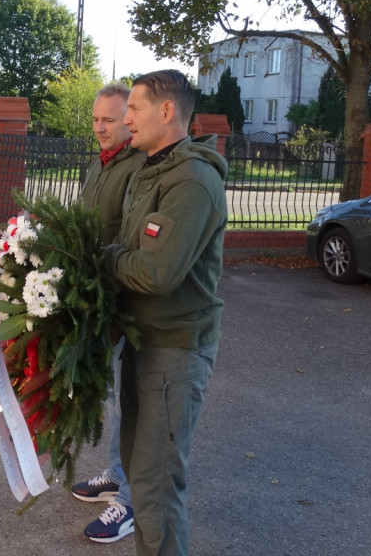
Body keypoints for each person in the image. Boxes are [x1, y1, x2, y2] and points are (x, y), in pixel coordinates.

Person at [102, 69, 228, 556]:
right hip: (144, 341)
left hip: (174, 351)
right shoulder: (150, 169)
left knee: (155, 490)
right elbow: (131, 247)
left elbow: (156, 272)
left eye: (135, 109)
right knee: (140, 475)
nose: (126, 119)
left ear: (168, 111)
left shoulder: (192, 180)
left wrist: (102, 260)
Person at [71, 81, 141, 544]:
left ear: (129, 122)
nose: (100, 127)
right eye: (96, 120)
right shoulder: (101, 163)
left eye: (109, 120)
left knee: (133, 404)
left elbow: (128, 238)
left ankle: (131, 501)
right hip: (95, 298)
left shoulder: (137, 167)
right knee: (115, 395)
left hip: (122, 302)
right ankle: (116, 474)